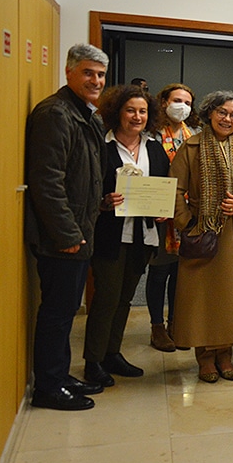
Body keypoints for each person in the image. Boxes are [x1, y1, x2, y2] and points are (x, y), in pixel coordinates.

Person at [24, 44, 109, 410]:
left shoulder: (85, 114)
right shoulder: (55, 114)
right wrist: (67, 234)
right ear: (69, 72)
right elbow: (47, 181)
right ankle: (48, 386)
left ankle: (60, 375)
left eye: (101, 75)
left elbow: (83, 175)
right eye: (88, 72)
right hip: (63, 236)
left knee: (67, 309)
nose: (96, 81)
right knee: (58, 313)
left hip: (79, 229)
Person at [170, 91, 233, 383]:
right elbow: (173, 189)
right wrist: (188, 223)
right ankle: (205, 358)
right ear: (209, 113)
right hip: (202, 234)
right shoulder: (191, 147)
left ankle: (226, 355)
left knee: (231, 301)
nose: (228, 119)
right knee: (203, 302)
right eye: (222, 112)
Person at [83, 85, 170, 387]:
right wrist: (103, 202)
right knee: (106, 297)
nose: (137, 116)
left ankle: (112, 354)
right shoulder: (102, 146)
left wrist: (162, 209)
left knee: (124, 298)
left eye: (142, 111)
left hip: (143, 236)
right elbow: (87, 187)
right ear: (117, 112)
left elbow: (163, 185)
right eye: (130, 110)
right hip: (110, 234)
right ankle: (93, 361)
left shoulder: (155, 148)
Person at [146, 83, 200, 352]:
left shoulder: (196, 135)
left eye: (187, 102)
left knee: (181, 274)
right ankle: (157, 327)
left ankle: (175, 324)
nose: (182, 106)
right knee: (159, 272)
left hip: (187, 214)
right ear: (164, 102)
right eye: (177, 100)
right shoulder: (151, 135)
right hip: (160, 215)